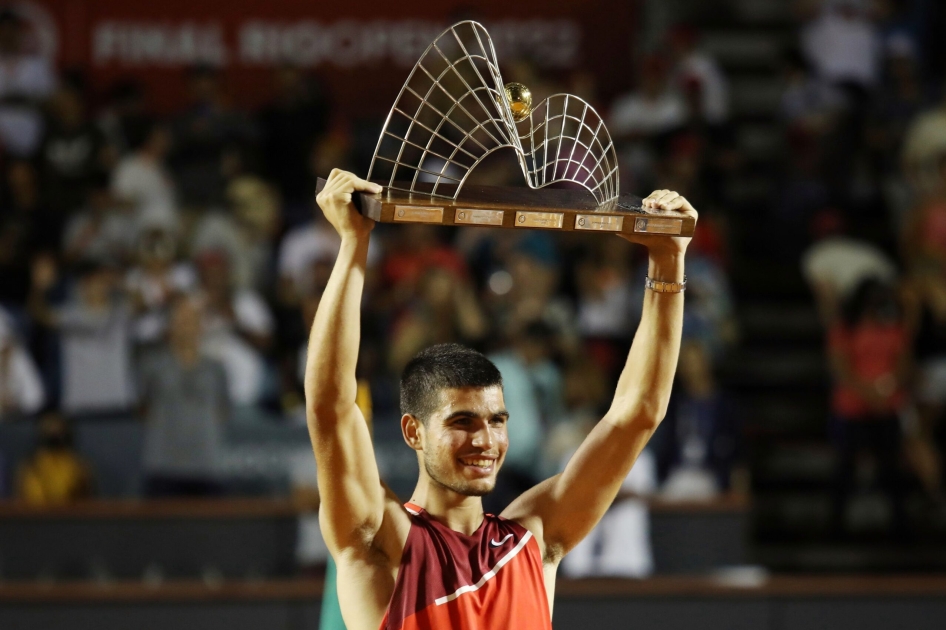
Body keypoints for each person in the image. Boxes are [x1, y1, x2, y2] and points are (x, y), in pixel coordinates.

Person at [306, 169, 695, 629]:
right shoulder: (380, 538)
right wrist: (354, 244)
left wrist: (669, 262)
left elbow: (638, 414)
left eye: (497, 420)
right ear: (414, 431)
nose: (486, 439)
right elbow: (330, 405)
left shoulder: (533, 536)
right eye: (462, 422)